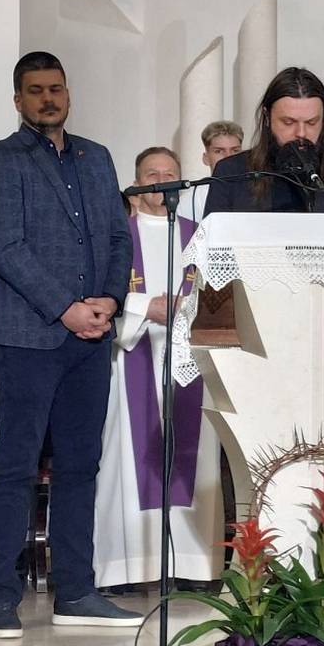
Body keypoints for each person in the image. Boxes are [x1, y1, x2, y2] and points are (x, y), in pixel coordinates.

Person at [0, 51, 139, 638]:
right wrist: (66, 308)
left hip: (90, 337)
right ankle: (0, 597)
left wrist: (109, 301)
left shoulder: (98, 157)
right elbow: (5, 247)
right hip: (27, 336)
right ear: (18, 99)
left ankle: (76, 592)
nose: (48, 98)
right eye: (36, 90)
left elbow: (119, 238)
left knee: (80, 466)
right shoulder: (1, 160)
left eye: (56, 88)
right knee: (16, 467)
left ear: (68, 94)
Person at [93, 147, 222, 588]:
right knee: (126, 460)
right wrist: (143, 307)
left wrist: (194, 309)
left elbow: (222, 294)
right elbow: (97, 291)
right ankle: (129, 566)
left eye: (170, 173)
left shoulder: (201, 237)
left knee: (195, 459)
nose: (162, 182)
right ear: (136, 184)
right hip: (132, 354)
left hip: (192, 361)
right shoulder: (116, 236)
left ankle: (192, 564)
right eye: (152, 174)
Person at [204, 67, 324, 214]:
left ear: (323, 120)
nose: (301, 133)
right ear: (267, 117)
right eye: (288, 122)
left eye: (311, 123)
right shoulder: (231, 173)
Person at [178, 120, 244, 226]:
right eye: (219, 151)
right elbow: (186, 235)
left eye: (235, 150)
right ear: (206, 158)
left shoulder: (259, 192)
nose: (228, 157)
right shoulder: (190, 201)